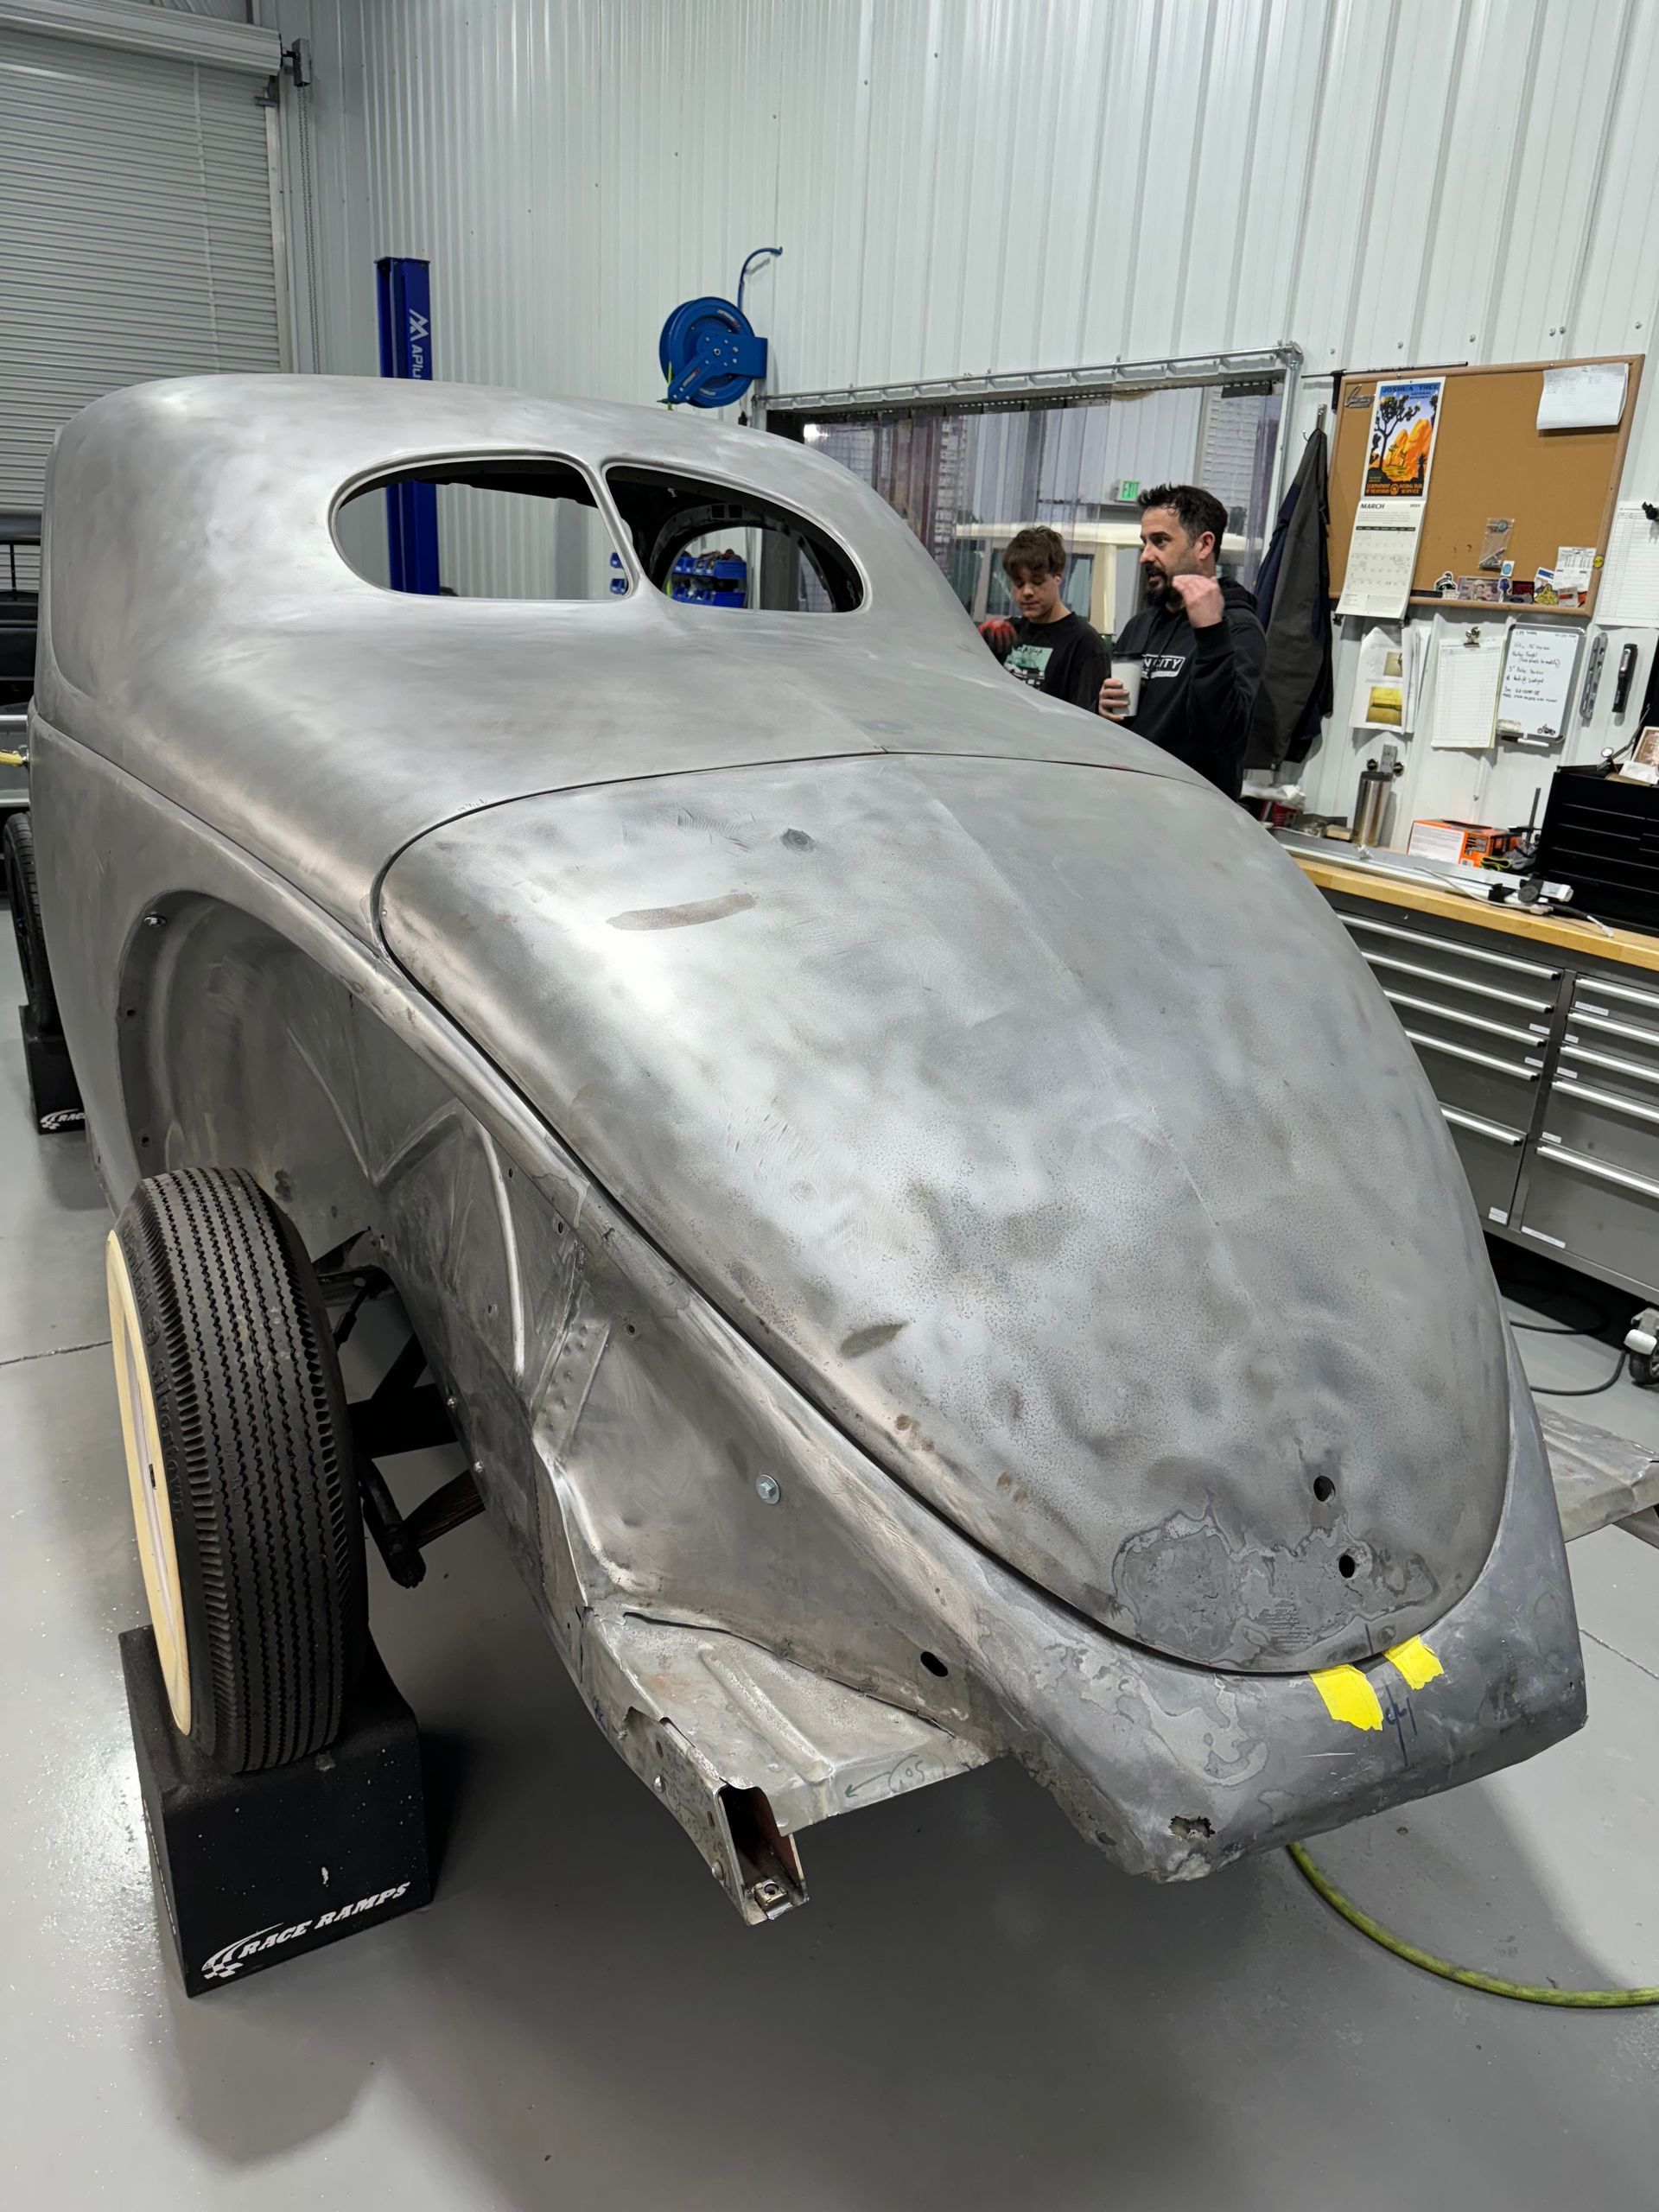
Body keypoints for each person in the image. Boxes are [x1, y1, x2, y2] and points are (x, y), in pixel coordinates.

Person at [1098, 484, 1266, 798]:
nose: (1145, 556)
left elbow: (1220, 733)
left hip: (1193, 818)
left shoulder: (1239, 628)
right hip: (1130, 804)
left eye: (1160, 541)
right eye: (1144, 543)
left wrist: (1210, 633)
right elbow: (1126, 725)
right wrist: (1104, 708)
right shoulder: (1141, 625)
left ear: (1204, 545)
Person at [991, 525, 1107, 711]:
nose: (1027, 592)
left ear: (1058, 575)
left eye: (1037, 581)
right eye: (1019, 583)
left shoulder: (1084, 643)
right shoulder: (1008, 633)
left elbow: (1086, 722)